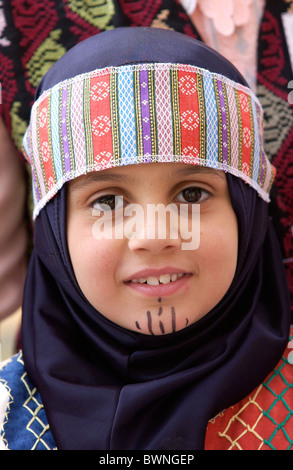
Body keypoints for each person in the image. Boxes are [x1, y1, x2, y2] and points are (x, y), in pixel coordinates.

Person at [0, 27, 291, 451]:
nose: (154, 236)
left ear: (247, 213)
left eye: (192, 194)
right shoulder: (9, 416)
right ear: (54, 235)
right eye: (108, 201)